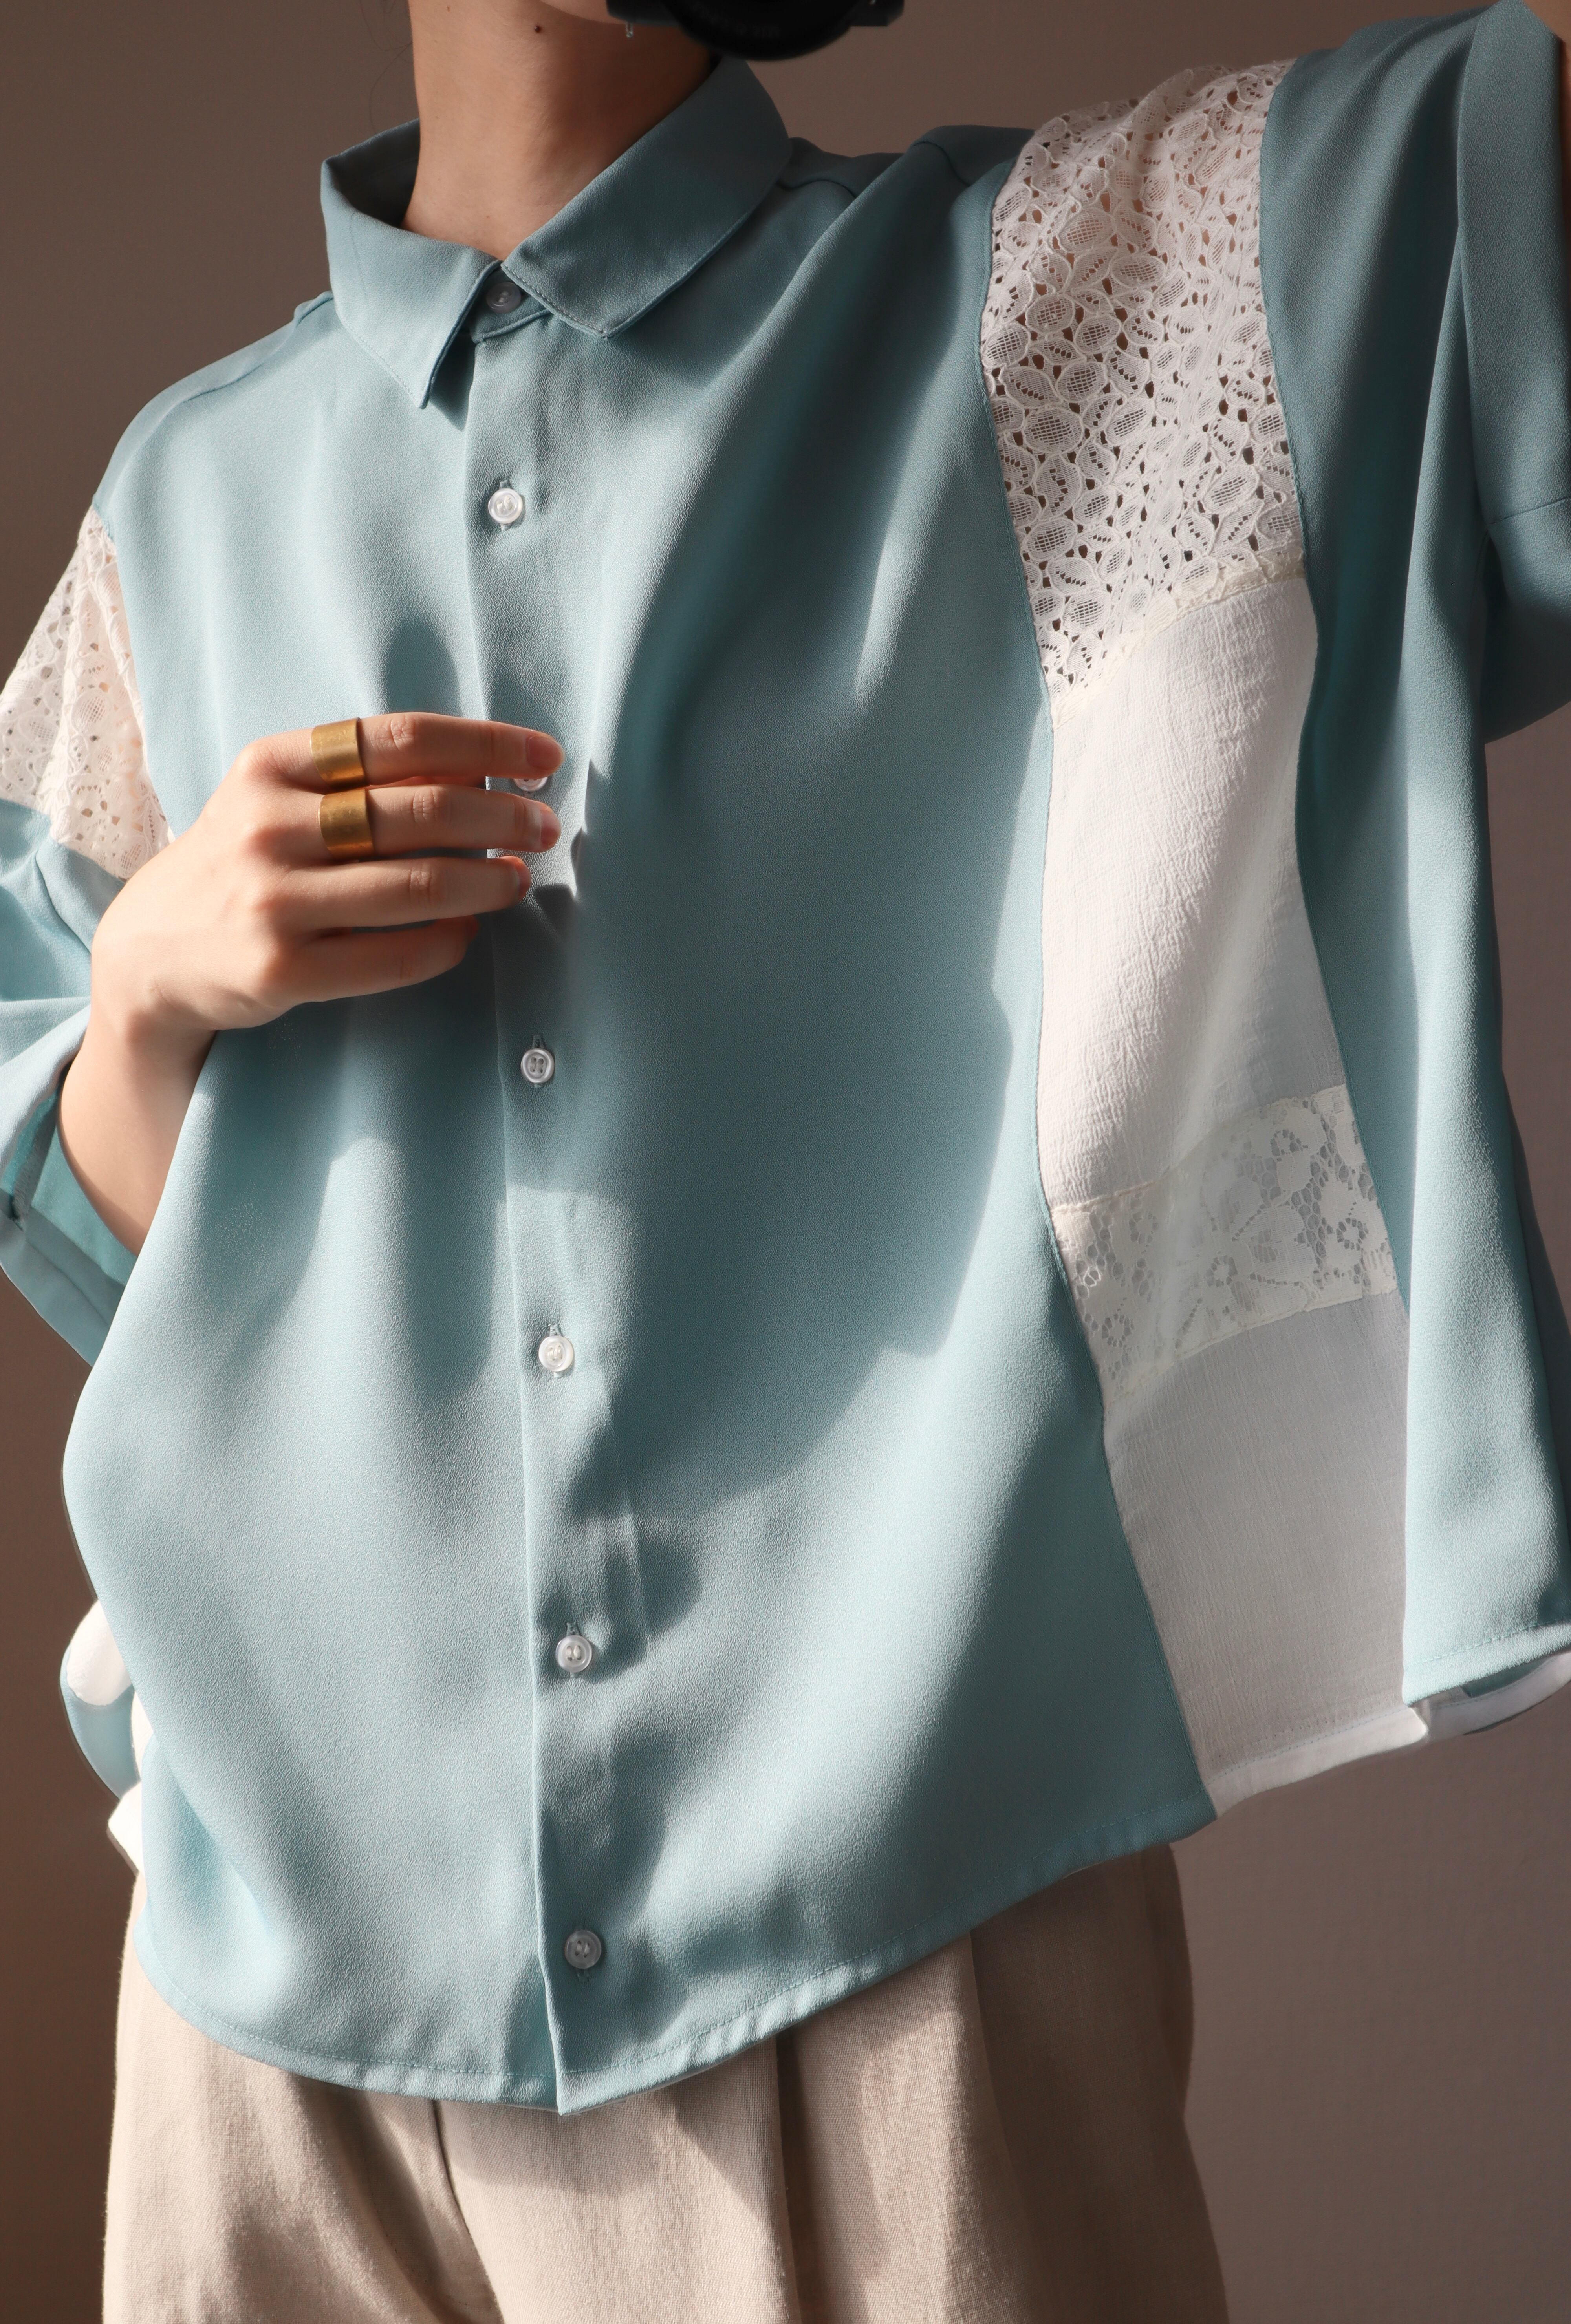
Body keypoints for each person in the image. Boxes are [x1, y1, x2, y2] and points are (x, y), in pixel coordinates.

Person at [4, 0, 1571, 2314]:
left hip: (889, 1953)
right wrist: (145, 982)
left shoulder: (1074, 291)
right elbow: (104, 1246)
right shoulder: (182, 497)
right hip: (260, 2006)